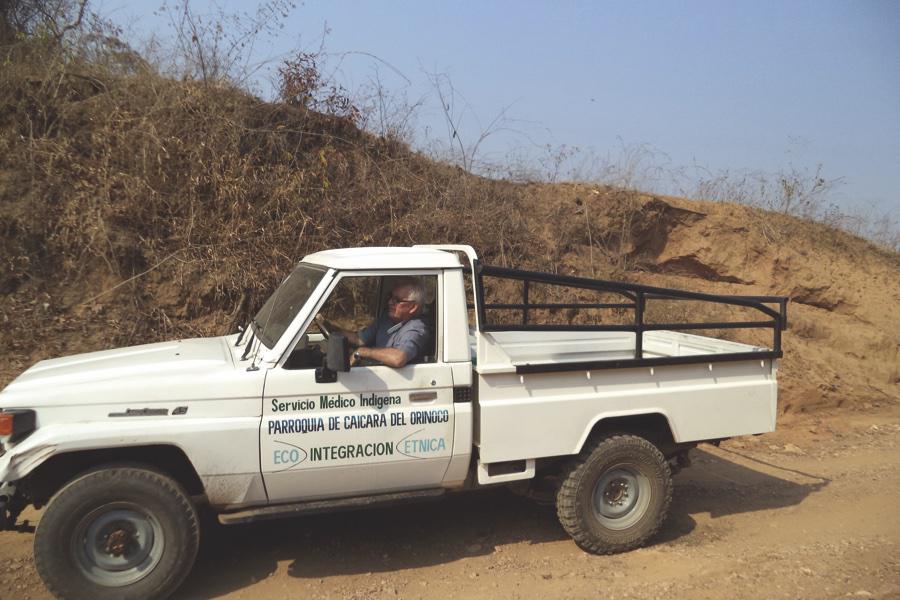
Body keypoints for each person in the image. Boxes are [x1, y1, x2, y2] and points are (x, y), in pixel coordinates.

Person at [316, 277, 431, 368]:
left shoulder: (416, 328)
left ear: (413, 307)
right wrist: (330, 327)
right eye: (390, 297)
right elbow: (359, 339)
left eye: (397, 300)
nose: (390, 302)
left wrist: (364, 352)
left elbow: (398, 358)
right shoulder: (387, 319)